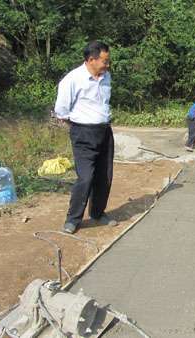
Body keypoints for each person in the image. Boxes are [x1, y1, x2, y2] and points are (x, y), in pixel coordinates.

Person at [54, 41, 117, 234]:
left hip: (104, 131)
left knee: (104, 176)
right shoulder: (72, 80)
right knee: (85, 178)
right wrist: (79, 126)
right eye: (105, 61)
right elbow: (61, 110)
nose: (108, 65)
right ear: (91, 59)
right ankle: (73, 219)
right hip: (82, 133)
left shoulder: (106, 77)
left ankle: (98, 213)